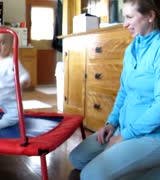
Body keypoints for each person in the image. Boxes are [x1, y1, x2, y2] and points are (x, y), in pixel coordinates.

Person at [68, 0, 160, 179]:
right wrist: (111, 124)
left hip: (152, 135)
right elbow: (124, 91)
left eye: (129, 17)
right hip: (125, 128)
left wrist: (124, 137)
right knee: (77, 158)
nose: (124, 23)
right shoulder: (131, 50)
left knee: (90, 176)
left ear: (150, 16)